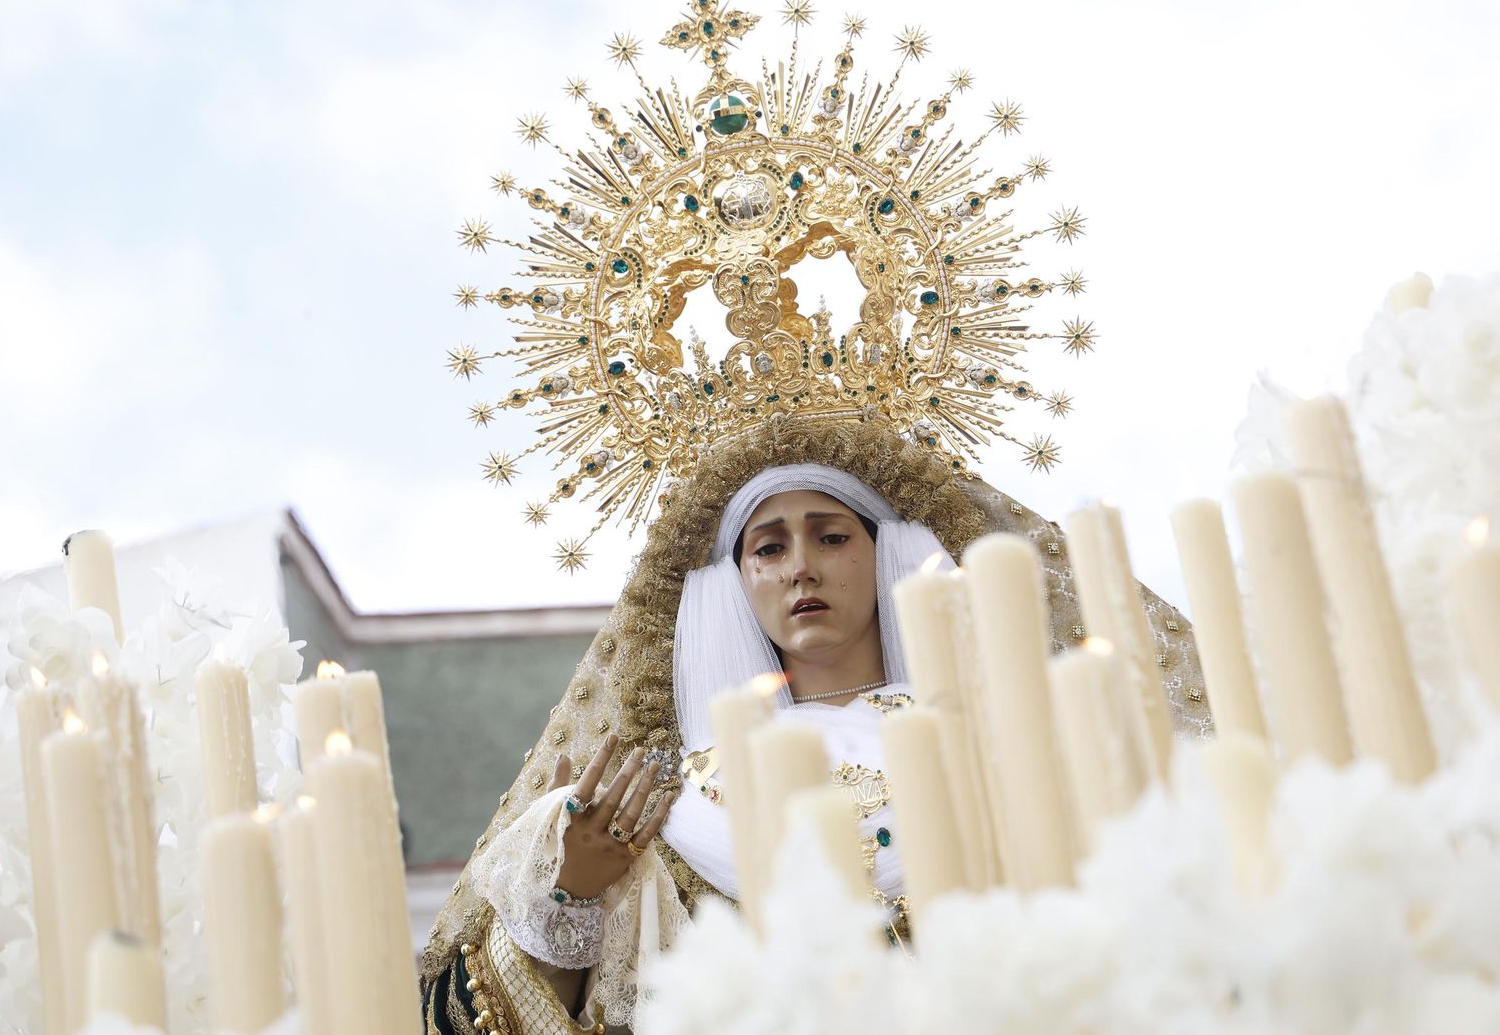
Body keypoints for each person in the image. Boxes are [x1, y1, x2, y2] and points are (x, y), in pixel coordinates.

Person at [418, 418, 1213, 1034]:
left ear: (887, 552)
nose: (801, 565)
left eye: (832, 536)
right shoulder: (672, 814)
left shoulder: (1007, 749)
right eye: (769, 547)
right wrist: (571, 893)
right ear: (736, 584)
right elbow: (498, 1018)